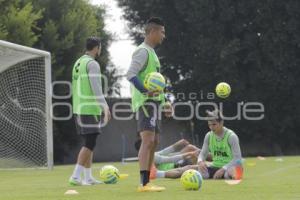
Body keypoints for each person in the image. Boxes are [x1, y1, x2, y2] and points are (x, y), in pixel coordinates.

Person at [126, 17, 172, 192]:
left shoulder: (152, 53)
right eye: (162, 32)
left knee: (155, 141)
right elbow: (130, 74)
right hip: (146, 103)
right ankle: (143, 183)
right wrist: (146, 92)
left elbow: (157, 85)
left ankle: (148, 178)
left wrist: (166, 101)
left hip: (155, 103)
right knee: (148, 140)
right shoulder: (142, 51)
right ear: (152, 31)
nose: (163, 36)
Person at [150, 109, 243, 180]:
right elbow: (203, 154)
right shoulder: (209, 135)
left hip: (229, 167)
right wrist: (200, 162)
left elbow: (238, 158)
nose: (211, 127)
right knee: (188, 169)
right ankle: (156, 174)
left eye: (214, 124)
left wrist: (223, 168)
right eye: (209, 125)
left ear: (221, 122)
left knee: (230, 173)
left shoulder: (231, 136)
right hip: (214, 166)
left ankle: (228, 175)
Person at [69, 37, 111, 186]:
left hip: (78, 107)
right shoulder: (92, 64)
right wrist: (104, 106)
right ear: (97, 47)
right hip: (89, 108)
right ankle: (75, 176)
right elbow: (96, 88)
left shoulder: (78, 62)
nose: (100, 50)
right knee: (90, 142)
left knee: (89, 142)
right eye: (100, 47)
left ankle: (87, 178)